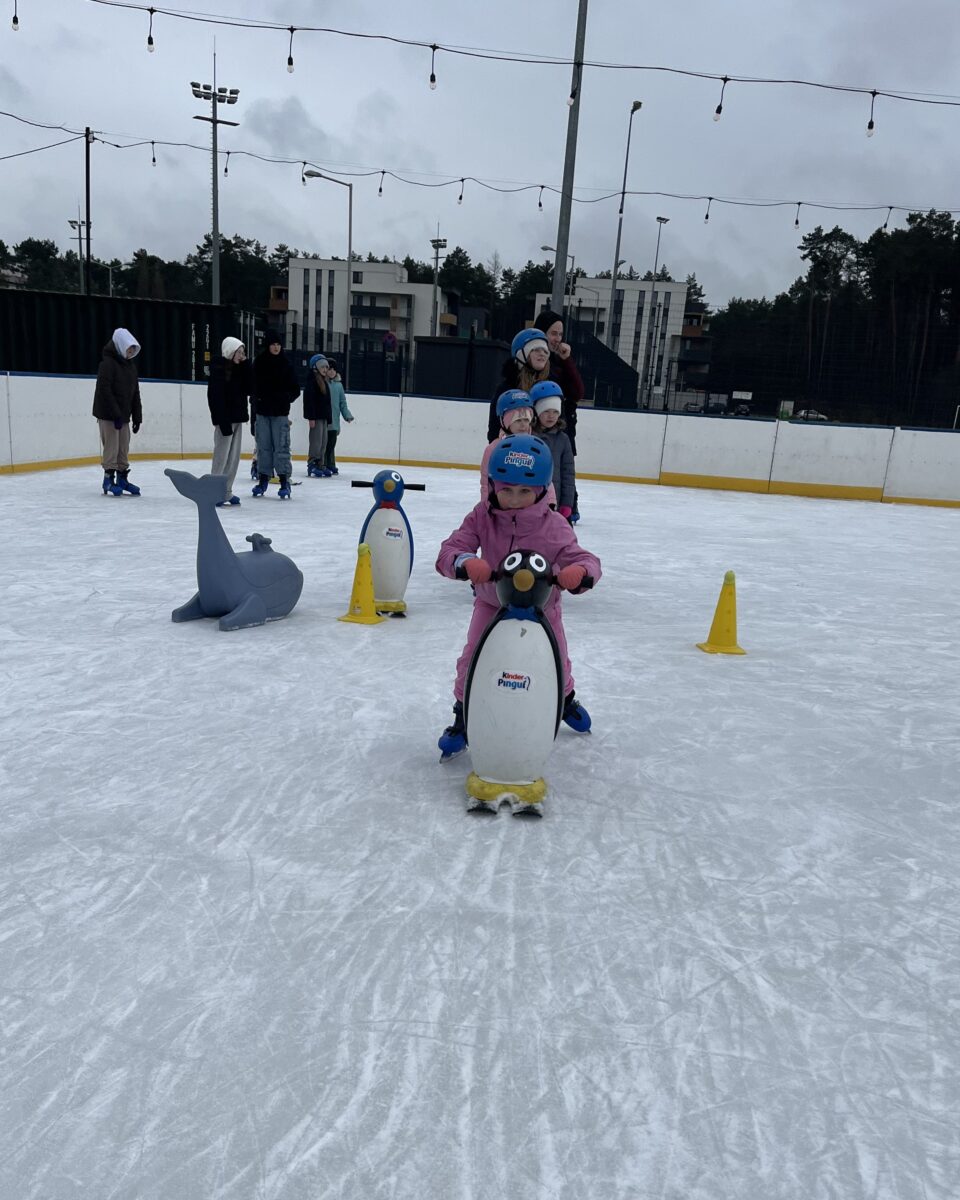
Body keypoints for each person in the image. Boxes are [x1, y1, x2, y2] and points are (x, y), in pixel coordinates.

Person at [435, 433, 601, 757]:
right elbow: (449, 550)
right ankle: (463, 716)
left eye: (525, 491)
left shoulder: (554, 525)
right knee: (472, 658)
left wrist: (580, 573)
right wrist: (465, 562)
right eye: (506, 489)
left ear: (541, 490)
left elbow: (585, 559)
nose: (514, 499)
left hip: (543, 608)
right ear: (493, 485)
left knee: (556, 658)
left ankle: (565, 699)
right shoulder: (482, 516)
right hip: (492, 603)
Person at [92, 327, 142, 496]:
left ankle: (122, 479)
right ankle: (108, 480)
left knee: (123, 447)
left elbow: (135, 393)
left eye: (133, 350)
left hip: (123, 415)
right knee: (111, 447)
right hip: (108, 415)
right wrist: (116, 415)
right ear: (121, 345)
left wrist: (137, 417)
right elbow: (104, 391)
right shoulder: (107, 364)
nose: (131, 353)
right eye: (129, 349)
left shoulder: (130, 367)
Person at [250, 331, 300, 499]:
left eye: (278, 344)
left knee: (281, 447)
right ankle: (263, 479)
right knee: (263, 447)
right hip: (263, 412)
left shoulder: (286, 364)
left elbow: (295, 389)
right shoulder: (259, 363)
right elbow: (252, 388)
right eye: (273, 344)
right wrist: (256, 405)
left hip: (280, 413)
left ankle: (284, 481)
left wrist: (285, 398)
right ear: (268, 345)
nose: (276, 347)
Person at [207, 335, 251, 506]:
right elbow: (215, 398)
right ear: (230, 352)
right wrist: (222, 421)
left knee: (233, 459)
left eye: (243, 352)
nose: (242, 355)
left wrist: (246, 366)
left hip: (238, 419)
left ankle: (226, 491)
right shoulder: (218, 370)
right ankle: (213, 492)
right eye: (239, 352)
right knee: (221, 457)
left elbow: (250, 388)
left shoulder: (239, 370)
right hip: (225, 421)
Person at [487, 329, 552, 441]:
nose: (542, 354)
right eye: (536, 349)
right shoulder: (506, 389)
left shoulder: (551, 389)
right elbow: (494, 431)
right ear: (521, 354)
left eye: (546, 351)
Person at [530, 380, 576, 520]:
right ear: (536, 411)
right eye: (546, 411)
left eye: (555, 412)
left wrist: (568, 503)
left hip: (556, 502)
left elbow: (568, 474)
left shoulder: (563, 439)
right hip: (531, 500)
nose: (551, 416)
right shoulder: (528, 436)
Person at [479, 389, 534, 502]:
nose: (523, 425)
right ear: (505, 422)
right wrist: (486, 505)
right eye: (518, 420)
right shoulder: (494, 449)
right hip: (501, 505)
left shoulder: (535, 448)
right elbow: (486, 482)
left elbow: (546, 481)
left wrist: (550, 502)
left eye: (526, 420)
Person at [302, 353, 333, 477]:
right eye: (322, 367)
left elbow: (327, 402)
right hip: (316, 417)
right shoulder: (312, 382)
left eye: (326, 367)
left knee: (323, 441)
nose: (325, 370)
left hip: (323, 417)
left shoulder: (324, 382)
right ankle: (312, 463)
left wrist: (329, 418)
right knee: (316, 441)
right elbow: (309, 401)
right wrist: (311, 417)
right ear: (316, 368)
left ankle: (321, 463)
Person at [323, 358, 354, 475]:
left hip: (334, 421)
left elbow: (342, 403)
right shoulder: (322, 383)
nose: (331, 372)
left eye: (334, 369)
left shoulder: (339, 385)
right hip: (324, 419)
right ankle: (323, 464)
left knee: (331, 444)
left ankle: (331, 464)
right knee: (324, 444)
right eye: (329, 369)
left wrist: (347, 415)